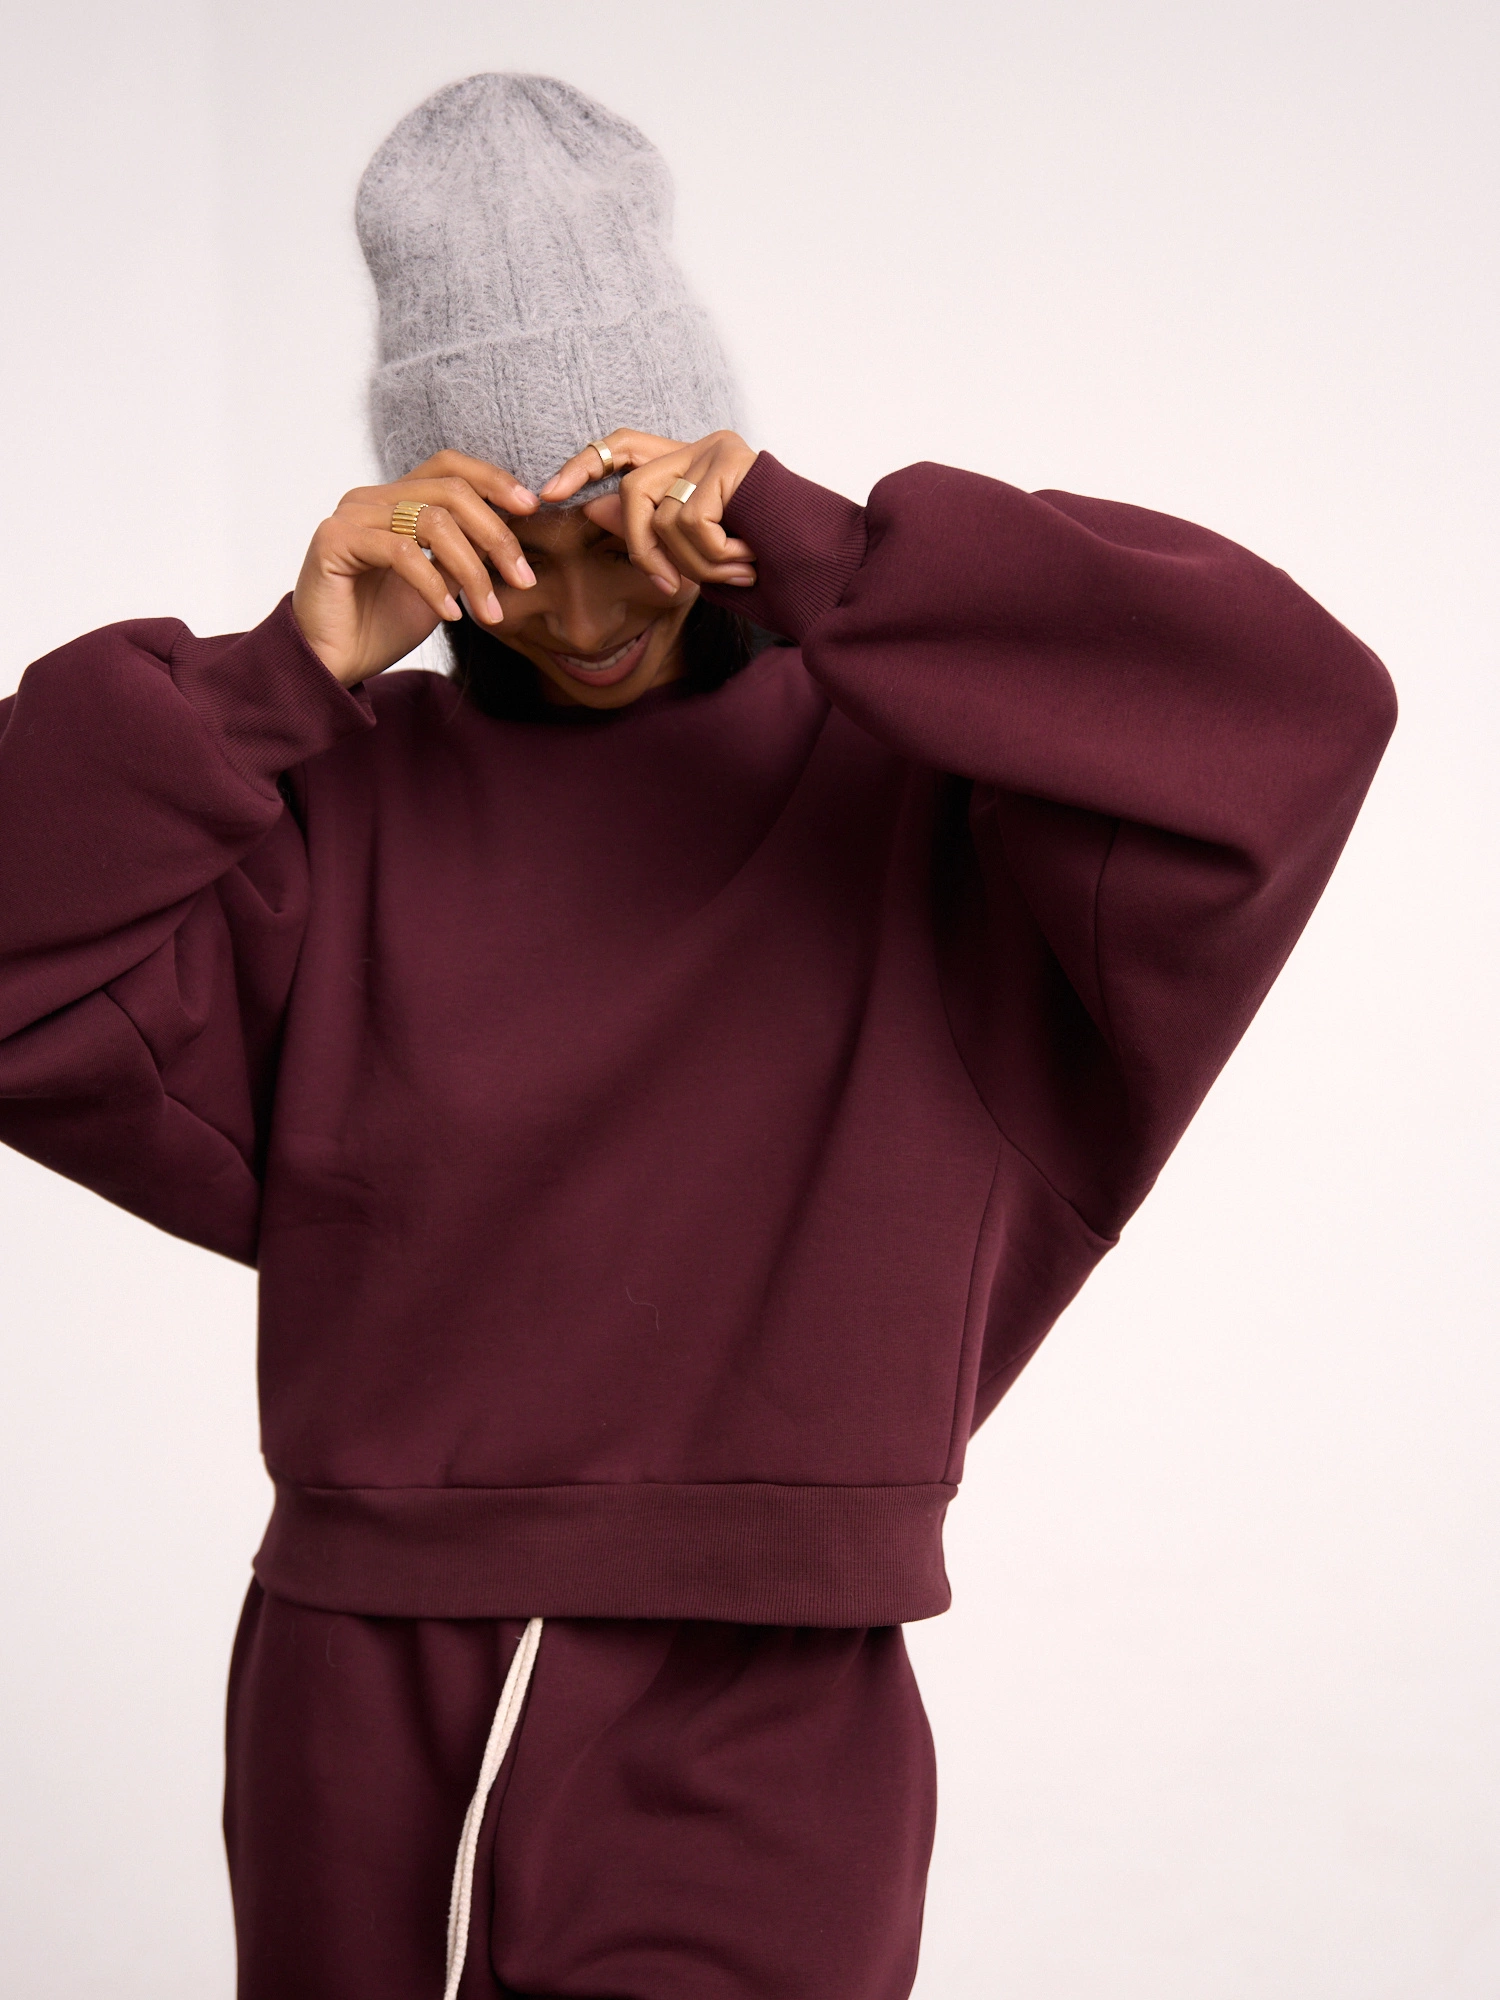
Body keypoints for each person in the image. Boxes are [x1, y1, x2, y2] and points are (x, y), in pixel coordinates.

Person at [0, 71, 1396, 2000]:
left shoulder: (921, 787)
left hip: (771, 1698)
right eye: (511, 545)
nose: (582, 609)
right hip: (361, 1670)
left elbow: (1294, 715)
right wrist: (272, 678)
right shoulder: (331, 804)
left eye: (617, 524)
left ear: (705, 465)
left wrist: (843, 561)